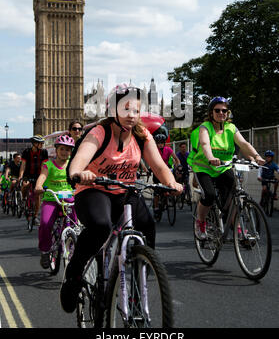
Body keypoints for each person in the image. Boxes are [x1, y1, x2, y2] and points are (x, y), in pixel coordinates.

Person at [60, 83, 183, 313]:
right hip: (93, 190)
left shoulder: (141, 133)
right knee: (100, 225)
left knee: (147, 224)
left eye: (136, 111)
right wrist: (81, 172)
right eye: (126, 109)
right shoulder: (99, 132)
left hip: (124, 190)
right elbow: (78, 161)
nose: (132, 115)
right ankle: (74, 276)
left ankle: (140, 276)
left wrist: (171, 182)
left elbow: (158, 165)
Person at [191, 96, 265, 239]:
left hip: (223, 168)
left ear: (228, 112)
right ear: (211, 112)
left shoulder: (231, 128)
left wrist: (256, 156)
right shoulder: (205, 127)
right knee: (209, 195)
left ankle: (238, 229)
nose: (221, 113)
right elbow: (205, 144)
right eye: (217, 110)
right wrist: (211, 157)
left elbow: (244, 144)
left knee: (233, 196)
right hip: (204, 168)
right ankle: (200, 222)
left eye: (224, 110)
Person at [35, 135, 76, 269]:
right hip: (52, 198)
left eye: (68, 150)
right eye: (62, 149)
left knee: (76, 224)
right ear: (56, 150)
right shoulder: (49, 165)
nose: (65, 152)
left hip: (69, 197)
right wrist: (39, 185)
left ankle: (73, 245)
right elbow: (42, 176)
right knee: (46, 223)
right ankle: (45, 251)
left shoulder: (73, 163)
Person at [18, 135, 48, 225]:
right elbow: (23, 165)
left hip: (38, 175)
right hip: (27, 174)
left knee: (37, 194)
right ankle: (23, 198)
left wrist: (43, 177)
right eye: (40, 143)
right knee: (25, 185)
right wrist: (20, 176)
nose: (42, 145)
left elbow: (44, 165)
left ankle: (35, 216)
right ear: (35, 144)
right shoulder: (26, 152)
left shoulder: (44, 152)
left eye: (42, 143)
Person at [152, 134, 180, 217]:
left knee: (168, 187)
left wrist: (178, 167)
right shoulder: (154, 150)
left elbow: (176, 159)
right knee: (157, 192)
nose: (160, 144)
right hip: (156, 170)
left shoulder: (168, 149)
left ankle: (167, 199)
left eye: (162, 143)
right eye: (158, 143)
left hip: (166, 170)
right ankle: (156, 207)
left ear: (164, 143)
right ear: (156, 143)